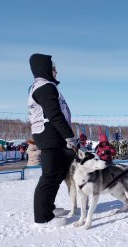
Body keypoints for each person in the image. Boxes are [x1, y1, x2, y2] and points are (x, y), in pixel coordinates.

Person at [28, 53, 77, 227]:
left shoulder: (42, 86)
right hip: (51, 137)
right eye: (53, 68)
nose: (56, 72)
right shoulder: (45, 87)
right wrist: (69, 136)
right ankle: (43, 217)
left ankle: (49, 207)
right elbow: (55, 115)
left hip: (51, 136)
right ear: (46, 69)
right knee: (49, 176)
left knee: (57, 174)